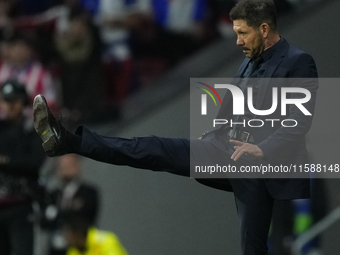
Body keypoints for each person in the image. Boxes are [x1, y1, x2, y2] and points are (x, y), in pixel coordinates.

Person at [32, 0, 318, 254]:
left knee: (255, 244)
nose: (238, 41)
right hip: (226, 152)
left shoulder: (298, 62)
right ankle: (69, 141)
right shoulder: (248, 64)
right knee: (152, 149)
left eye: (243, 33)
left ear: (265, 29)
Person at [0, 79, 46, 255]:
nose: (9, 106)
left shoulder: (32, 129)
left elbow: (35, 161)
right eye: (5, 100)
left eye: (13, 100)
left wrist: (5, 160)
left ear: (23, 102)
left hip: (22, 204)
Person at [41, 154, 100, 255]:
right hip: (55, 249)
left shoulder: (89, 192)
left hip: (80, 247)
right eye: (61, 166)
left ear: (78, 166)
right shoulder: (54, 195)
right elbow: (43, 222)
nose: (64, 169)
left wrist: (58, 215)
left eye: (69, 165)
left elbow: (86, 217)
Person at [62, 215, 128, 255]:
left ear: (77, 234)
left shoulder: (106, 241)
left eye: (68, 235)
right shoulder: (72, 252)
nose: (66, 239)